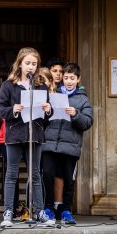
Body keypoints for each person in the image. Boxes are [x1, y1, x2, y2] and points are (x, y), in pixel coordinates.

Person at [0, 47, 54, 227]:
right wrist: (13, 109)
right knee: (12, 174)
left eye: (34, 64)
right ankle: (8, 212)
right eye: (27, 63)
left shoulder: (40, 86)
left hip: (34, 134)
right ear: (19, 64)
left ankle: (40, 211)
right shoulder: (8, 85)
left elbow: (48, 115)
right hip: (15, 134)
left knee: (35, 174)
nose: (31, 67)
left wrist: (48, 110)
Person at [42, 62, 93, 225]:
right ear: (61, 79)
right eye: (66, 78)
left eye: (72, 78)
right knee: (47, 175)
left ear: (78, 79)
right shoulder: (52, 94)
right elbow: (42, 119)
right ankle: (48, 209)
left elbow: (87, 122)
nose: (69, 81)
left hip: (70, 147)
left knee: (68, 179)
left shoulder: (83, 100)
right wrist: (47, 110)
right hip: (49, 144)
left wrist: (76, 114)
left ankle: (66, 211)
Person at [46, 58, 66, 217]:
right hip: (46, 136)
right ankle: (46, 206)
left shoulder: (66, 90)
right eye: (55, 71)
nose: (58, 74)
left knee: (61, 173)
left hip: (63, 137)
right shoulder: (43, 89)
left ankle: (59, 206)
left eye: (61, 71)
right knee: (46, 173)